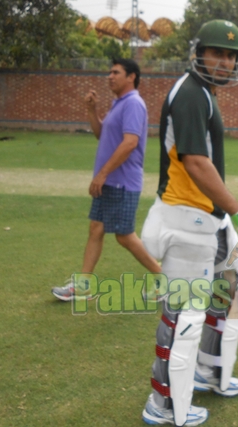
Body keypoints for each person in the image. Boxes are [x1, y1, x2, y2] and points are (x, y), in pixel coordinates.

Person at [140, 20, 238, 426]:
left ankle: (209, 370)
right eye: (217, 52)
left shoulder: (204, 93)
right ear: (199, 52)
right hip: (185, 218)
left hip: (208, 217)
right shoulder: (190, 94)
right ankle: (163, 406)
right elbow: (196, 163)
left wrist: (229, 216)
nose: (225, 61)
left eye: (232, 55)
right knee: (184, 315)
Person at [52, 58, 160, 301]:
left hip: (122, 181)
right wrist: (92, 111)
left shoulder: (133, 103)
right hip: (110, 181)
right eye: (109, 72)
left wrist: (102, 173)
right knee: (96, 228)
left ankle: (163, 277)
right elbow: (101, 135)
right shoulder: (118, 103)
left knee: (124, 235)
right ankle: (82, 285)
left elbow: (130, 143)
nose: (109, 76)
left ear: (131, 76)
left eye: (115, 72)